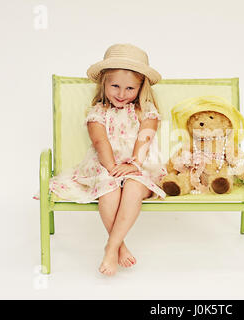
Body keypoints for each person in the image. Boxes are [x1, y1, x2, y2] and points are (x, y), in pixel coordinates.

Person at [34, 43, 167, 276]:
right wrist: (113, 167)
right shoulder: (98, 112)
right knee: (109, 188)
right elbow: (100, 142)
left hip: (139, 163)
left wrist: (133, 164)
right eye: (115, 85)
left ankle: (111, 246)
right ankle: (118, 246)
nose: (121, 94)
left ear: (141, 88)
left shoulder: (147, 111)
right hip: (106, 164)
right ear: (103, 82)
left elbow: (145, 139)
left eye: (130, 88)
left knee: (135, 187)